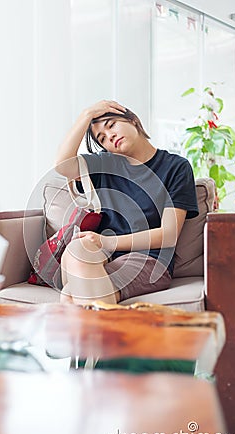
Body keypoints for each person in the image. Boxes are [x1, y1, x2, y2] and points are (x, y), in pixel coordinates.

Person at [55, 100, 198, 305]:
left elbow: (168, 235)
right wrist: (86, 115)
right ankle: (110, 331)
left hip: (149, 260)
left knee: (69, 294)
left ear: (133, 120)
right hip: (105, 257)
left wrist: (107, 241)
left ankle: (93, 331)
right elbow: (62, 166)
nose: (110, 136)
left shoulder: (176, 167)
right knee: (77, 250)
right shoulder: (105, 164)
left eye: (111, 125)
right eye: (102, 138)